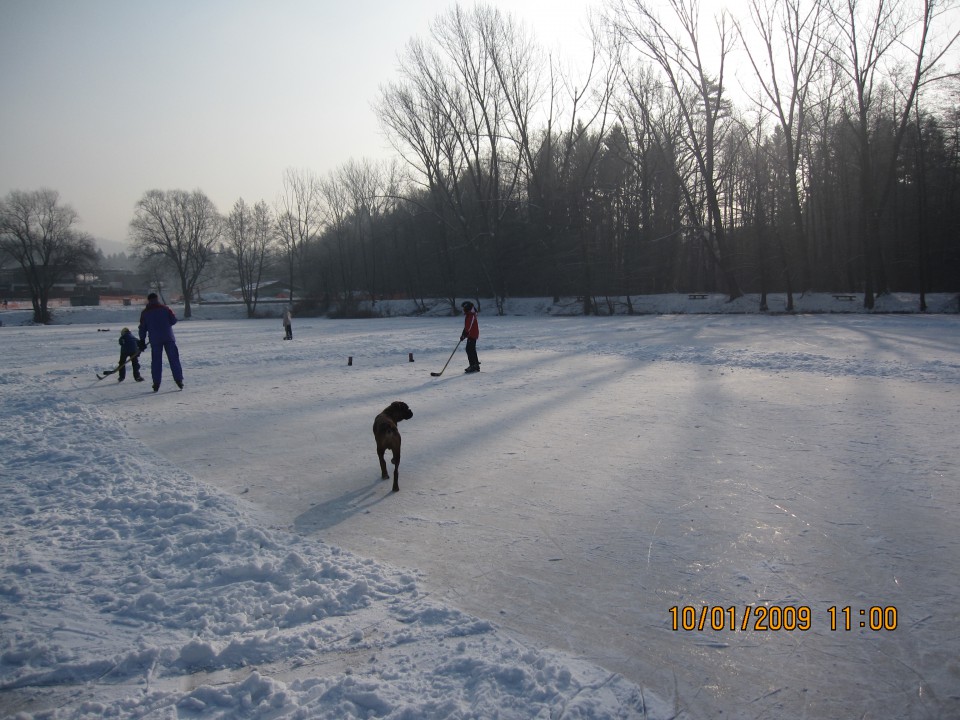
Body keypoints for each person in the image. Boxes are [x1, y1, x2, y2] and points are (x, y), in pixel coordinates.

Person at [138, 292, 183, 392]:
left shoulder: (145, 312)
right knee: (174, 359)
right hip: (168, 337)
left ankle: (156, 383)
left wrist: (142, 340)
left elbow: (142, 328)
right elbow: (174, 320)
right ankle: (179, 380)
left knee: (156, 361)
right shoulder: (165, 308)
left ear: (149, 300)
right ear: (157, 299)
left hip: (155, 339)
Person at [460, 300, 481, 373]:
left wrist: (464, 334)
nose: (463, 310)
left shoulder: (471, 315)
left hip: (472, 334)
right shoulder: (469, 314)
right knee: (471, 349)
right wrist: (463, 334)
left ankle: (473, 365)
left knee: (469, 349)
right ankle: (475, 364)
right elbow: (467, 327)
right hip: (471, 334)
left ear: (467, 308)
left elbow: (468, 327)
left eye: (464, 308)